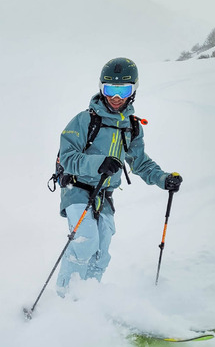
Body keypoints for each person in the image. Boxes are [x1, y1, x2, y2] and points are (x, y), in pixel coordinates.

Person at [56, 57, 182, 296]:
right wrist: (99, 163)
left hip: (105, 194)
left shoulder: (132, 127)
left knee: (102, 250)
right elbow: (68, 157)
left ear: (133, 90)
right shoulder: (84, 120)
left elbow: (140, 163)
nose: (115, 97)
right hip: (77, 188)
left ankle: (88, 300)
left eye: (122, 90)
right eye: (109, 89)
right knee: (86, 240)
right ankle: (63, 301)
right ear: (101, 89)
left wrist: (164, 179)